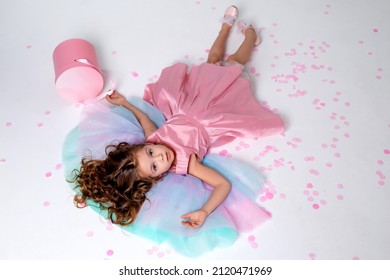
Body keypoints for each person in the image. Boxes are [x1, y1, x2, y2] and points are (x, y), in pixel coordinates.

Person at [64, 5, 284, 256]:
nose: (160, 156)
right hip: (212, 115)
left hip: (190, 102)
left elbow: (144, 117)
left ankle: (224, 28)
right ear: (157, 177)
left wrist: (123, 102)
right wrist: (205, 211)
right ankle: (251, 37)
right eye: (155, 166)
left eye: (150, 152)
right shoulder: (186, 164)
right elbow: (222, 184)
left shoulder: (154, 137)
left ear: (144, 144)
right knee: (233, 64)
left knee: (212, 62)